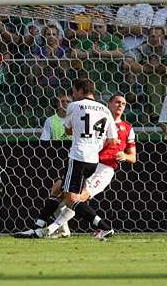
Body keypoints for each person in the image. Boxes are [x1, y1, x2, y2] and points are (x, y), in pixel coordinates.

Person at [14, 78, 118, 239]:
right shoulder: (105, 110)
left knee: (71, 199)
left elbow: (68, 131)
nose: (73, 94)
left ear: (80, 90)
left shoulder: (74, 106)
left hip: (78, 157)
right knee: (58, 188)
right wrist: (95, 142)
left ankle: (104, 227)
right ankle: (37, 227)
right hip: (93, 160)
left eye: (74, 91)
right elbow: (112, 140)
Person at [34, 94, 137, 239]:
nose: (120, 105)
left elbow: (133, 157)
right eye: (117, 102)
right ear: (108, 104)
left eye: (123, 104)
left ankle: (51, 228)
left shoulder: (127, 128)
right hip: (91, 161)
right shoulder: (98, 117)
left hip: (105, 169)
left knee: (78, 197)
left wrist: (125, 156)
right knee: (58, 188)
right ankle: (57, 229)